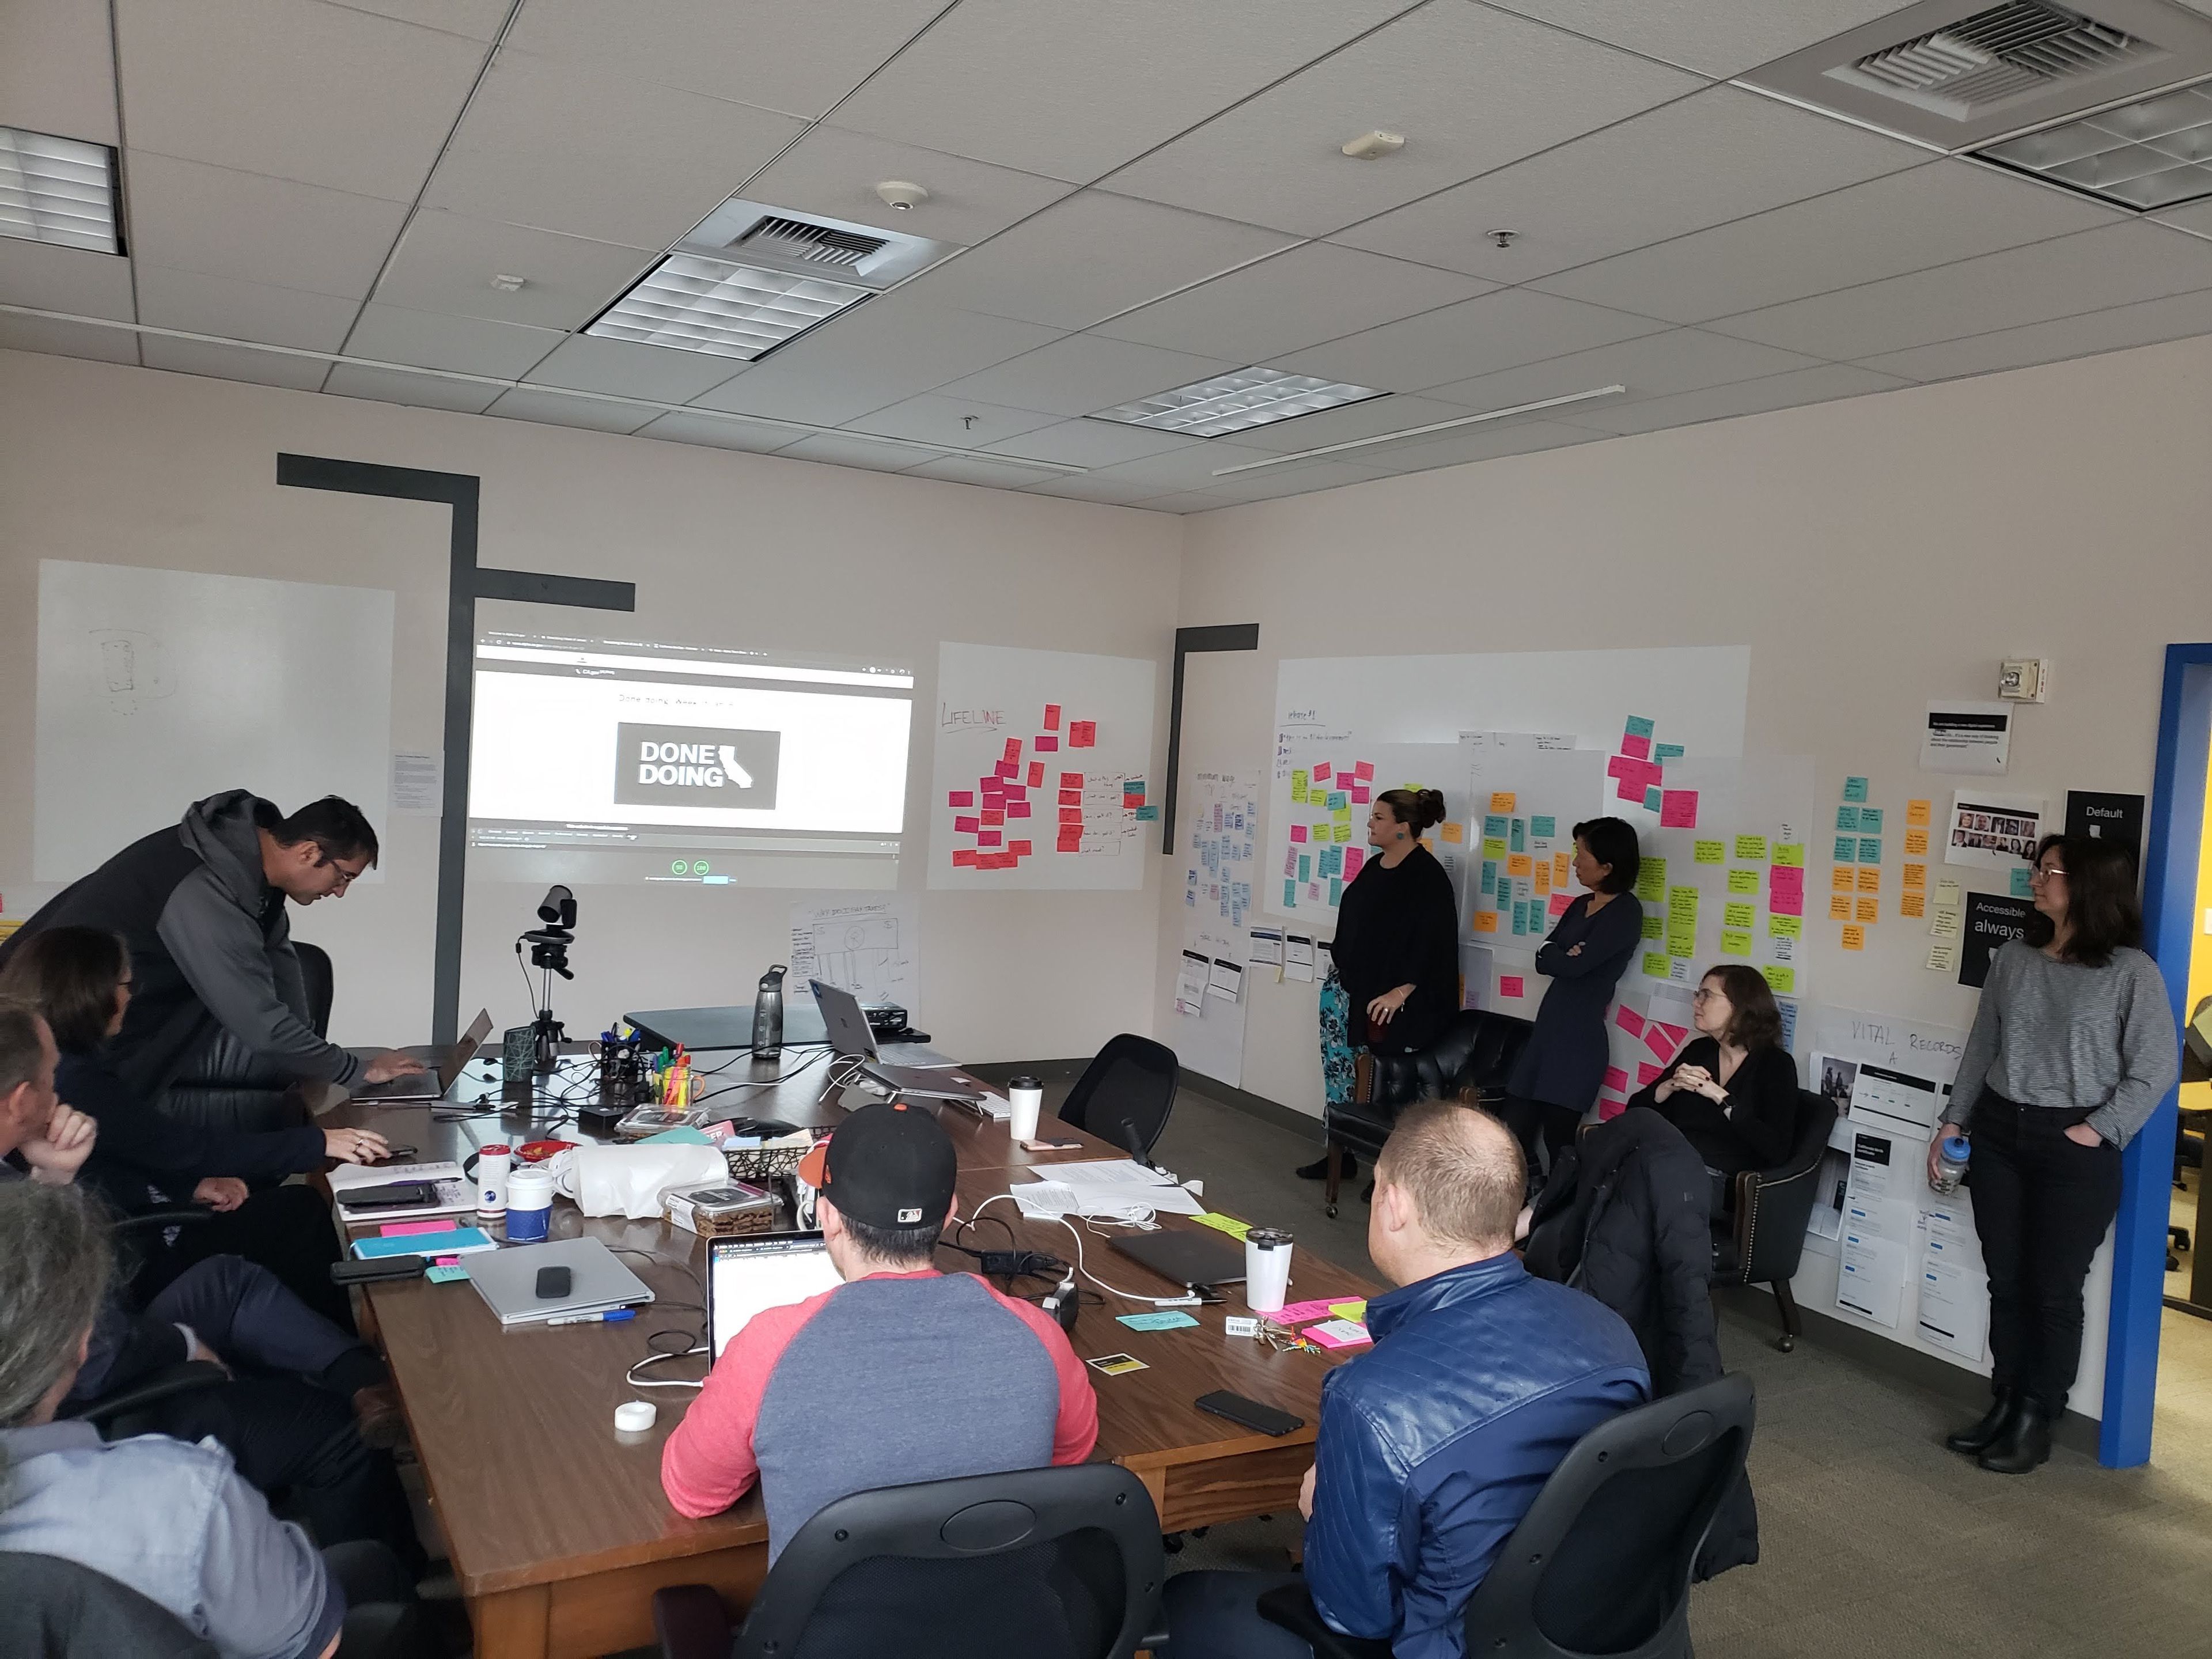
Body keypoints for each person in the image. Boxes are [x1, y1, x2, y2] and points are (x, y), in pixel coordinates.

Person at [1166, 1103, 1650, 1659]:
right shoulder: (1608, 1329)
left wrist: (1320, 1513)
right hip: (1580, 1625)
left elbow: (1353, 1614)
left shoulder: (1371, 1401)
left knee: (1183, 1600)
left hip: (1445, 1645)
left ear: (1393, 1205)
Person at [0, 998, 418, 1560]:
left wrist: (54, 1177)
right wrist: (184, 1345)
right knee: (331, 1432)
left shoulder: (15, 1173)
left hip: (99, 1347)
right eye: (52, 1076)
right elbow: (90, 1352)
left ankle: (367, 1385)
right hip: (81, 1416)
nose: (61, 1088)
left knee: (228, 1280)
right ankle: (393, 1600)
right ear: (22, 1100)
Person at [0, 1181, 434, 1659]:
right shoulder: (181, 1496)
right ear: (81, 1342)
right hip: (276, 1609)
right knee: (372, 1569)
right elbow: (320, 1646)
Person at [661, 1101, 1098, 1558]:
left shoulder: (768, 1348)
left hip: (832, 1629)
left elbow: (693, 1494)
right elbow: (1072, 1451)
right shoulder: (1038, 1335)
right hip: (1010, 1621)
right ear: (949, 1213)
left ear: (827, 1217)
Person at [0, 926, 388, 1332]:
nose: (131, 996)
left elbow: (124, 1151)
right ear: (91, 992)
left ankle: (316, 1348)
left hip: (134, 1221)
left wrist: (190, 1187)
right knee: (299, 1214)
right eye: (126, 984)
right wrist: (318, 1142)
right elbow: (185, 1149)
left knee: (290, 1213)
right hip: (131, 1259)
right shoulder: (75, 1079)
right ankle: (342, 1357)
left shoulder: (60, 1066)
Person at [1935, 834, 2176, 1475]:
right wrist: (1953, 1120)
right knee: (2007, 1280)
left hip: (2073, 1146)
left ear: (2088, 886)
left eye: (2049, 872)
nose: (2036, 881)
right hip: (1999, 1134)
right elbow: (1982, 1044)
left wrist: (2097, 1130)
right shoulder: (2015, 958)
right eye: (2038, 870)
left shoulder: (2130, 972)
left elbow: (2155, 1067)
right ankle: (2006, 1400)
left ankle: (2038, 1416)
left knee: (2053, 1290)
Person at [0, 791, 426, 1106]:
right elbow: (259, 1022)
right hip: (43, 1033)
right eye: (343, 877)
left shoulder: (252, 883)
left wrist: (318, 1061)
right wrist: (355, 1069)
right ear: (309, 852)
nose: (340, 892)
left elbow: (282, 975)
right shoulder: (205, 885)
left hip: (95, 1039)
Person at [1300, 787, 1459, 1188]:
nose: (1370, 824)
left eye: (1379, 818)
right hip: (1349, 993)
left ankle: (1390, 1171)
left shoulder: (1427, 877)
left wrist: (1402, 990)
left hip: (1391, 1005)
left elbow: (1432, 945)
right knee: (1340, 1074)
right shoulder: (1375, 866)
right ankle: (1341, 1152)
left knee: (1390, 1086)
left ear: (1403, 828)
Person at [1496, 817, 1644, 1174]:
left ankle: (1560, 1221)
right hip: (1546, 1035)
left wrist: (1561, 956)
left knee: (1559, 1142)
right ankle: (1520, 1209)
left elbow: (1574, 967)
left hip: (1578, 1044)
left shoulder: (1626, 911)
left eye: (1582, 855)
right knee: (1510, 1132)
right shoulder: (1580, 904)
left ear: (1608, 866)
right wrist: (1561, 955)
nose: (1575, 863)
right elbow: (1542, 957)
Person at [1627, 964, 1801, 1209]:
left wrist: (1722, 1098)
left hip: (1717, 1179)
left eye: (1706, 995)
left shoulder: (1775, 1065)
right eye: (1698, 994)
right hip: (1667, 1163)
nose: (1697, 1003)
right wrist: (1668, 1086)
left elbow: (1776, 1149)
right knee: (1616, 1173)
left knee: (1633, 1191)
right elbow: (1635, 1111)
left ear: (1740, 1007)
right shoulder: (1699, 1051)